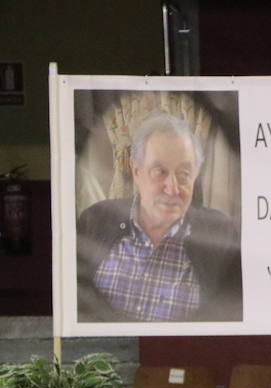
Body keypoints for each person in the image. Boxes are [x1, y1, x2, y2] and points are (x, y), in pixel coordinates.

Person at [76, 111, 241, 322]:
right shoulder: (94, 221)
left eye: (184, 174)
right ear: (136, 171)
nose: (172, 188)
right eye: (159, 171)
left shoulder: (221, 236)